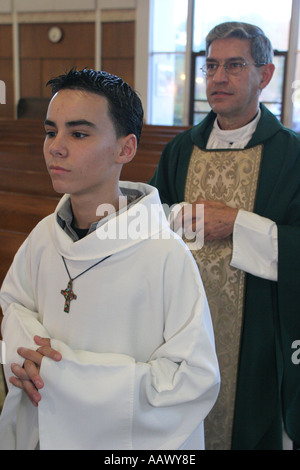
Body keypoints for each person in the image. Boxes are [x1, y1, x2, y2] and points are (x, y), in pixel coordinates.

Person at [0, 68, 220, 450]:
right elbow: (14, 303)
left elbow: (191, 382)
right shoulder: (42, 237)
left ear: (126, 148)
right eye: (51, 131)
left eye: (79, 133)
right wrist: (27, 361)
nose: (56, 146)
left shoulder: (164, 255)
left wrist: (66, 378)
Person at [150, 22, 300, 450]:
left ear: (265, 75)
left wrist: (238, 223)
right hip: (180, 324)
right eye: (211, 65)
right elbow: (150, 218)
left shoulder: (292, 156)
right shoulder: (180, 150)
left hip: (255, 330)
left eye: (234, 65)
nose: (218, 78)